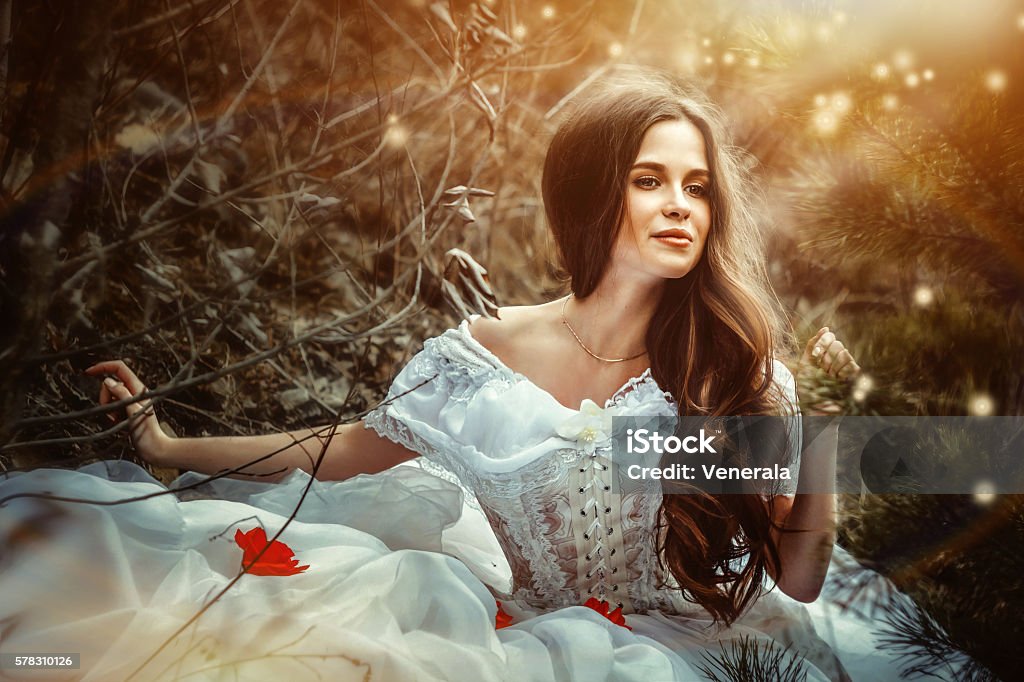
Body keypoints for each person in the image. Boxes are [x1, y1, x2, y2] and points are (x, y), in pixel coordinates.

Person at [1, 70, 958, 681]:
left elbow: (796, 579)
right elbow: (354, 450)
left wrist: (819, 445)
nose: (682, 206)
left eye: (699, 185)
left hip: (701, 658)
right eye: (650, 178)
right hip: (519, 642)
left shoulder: (732, 374)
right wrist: (170, 447)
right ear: (593, 192)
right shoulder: (481, 354)